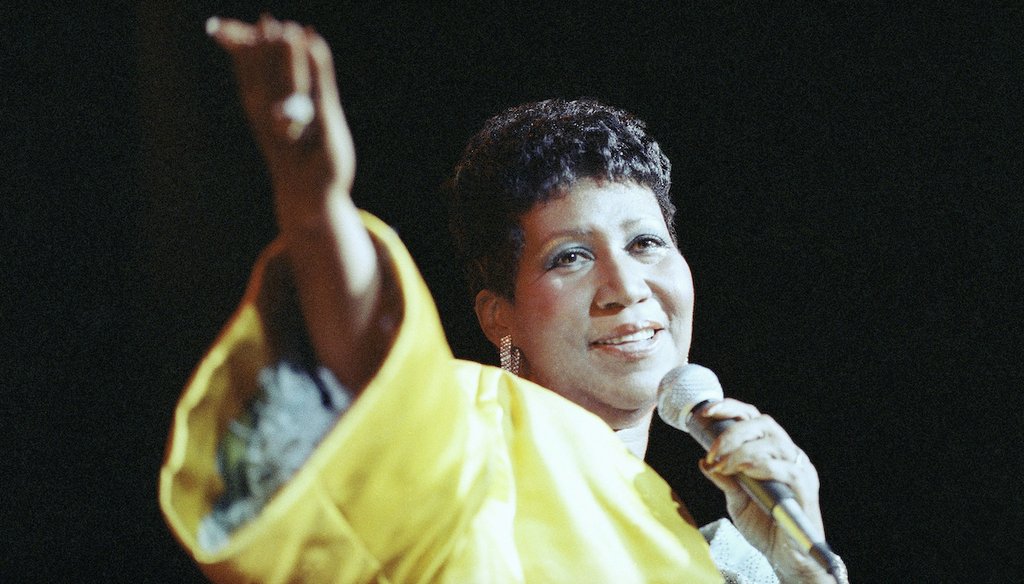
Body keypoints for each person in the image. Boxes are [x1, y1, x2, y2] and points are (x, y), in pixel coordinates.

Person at [160, 15, 846, 584]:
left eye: (645, 244)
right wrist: (316, 214)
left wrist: (796, 561)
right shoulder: (476, 449)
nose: (625, 286)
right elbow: (372, 370)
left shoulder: (704, 553)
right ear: (498, 315)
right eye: (571, 257)